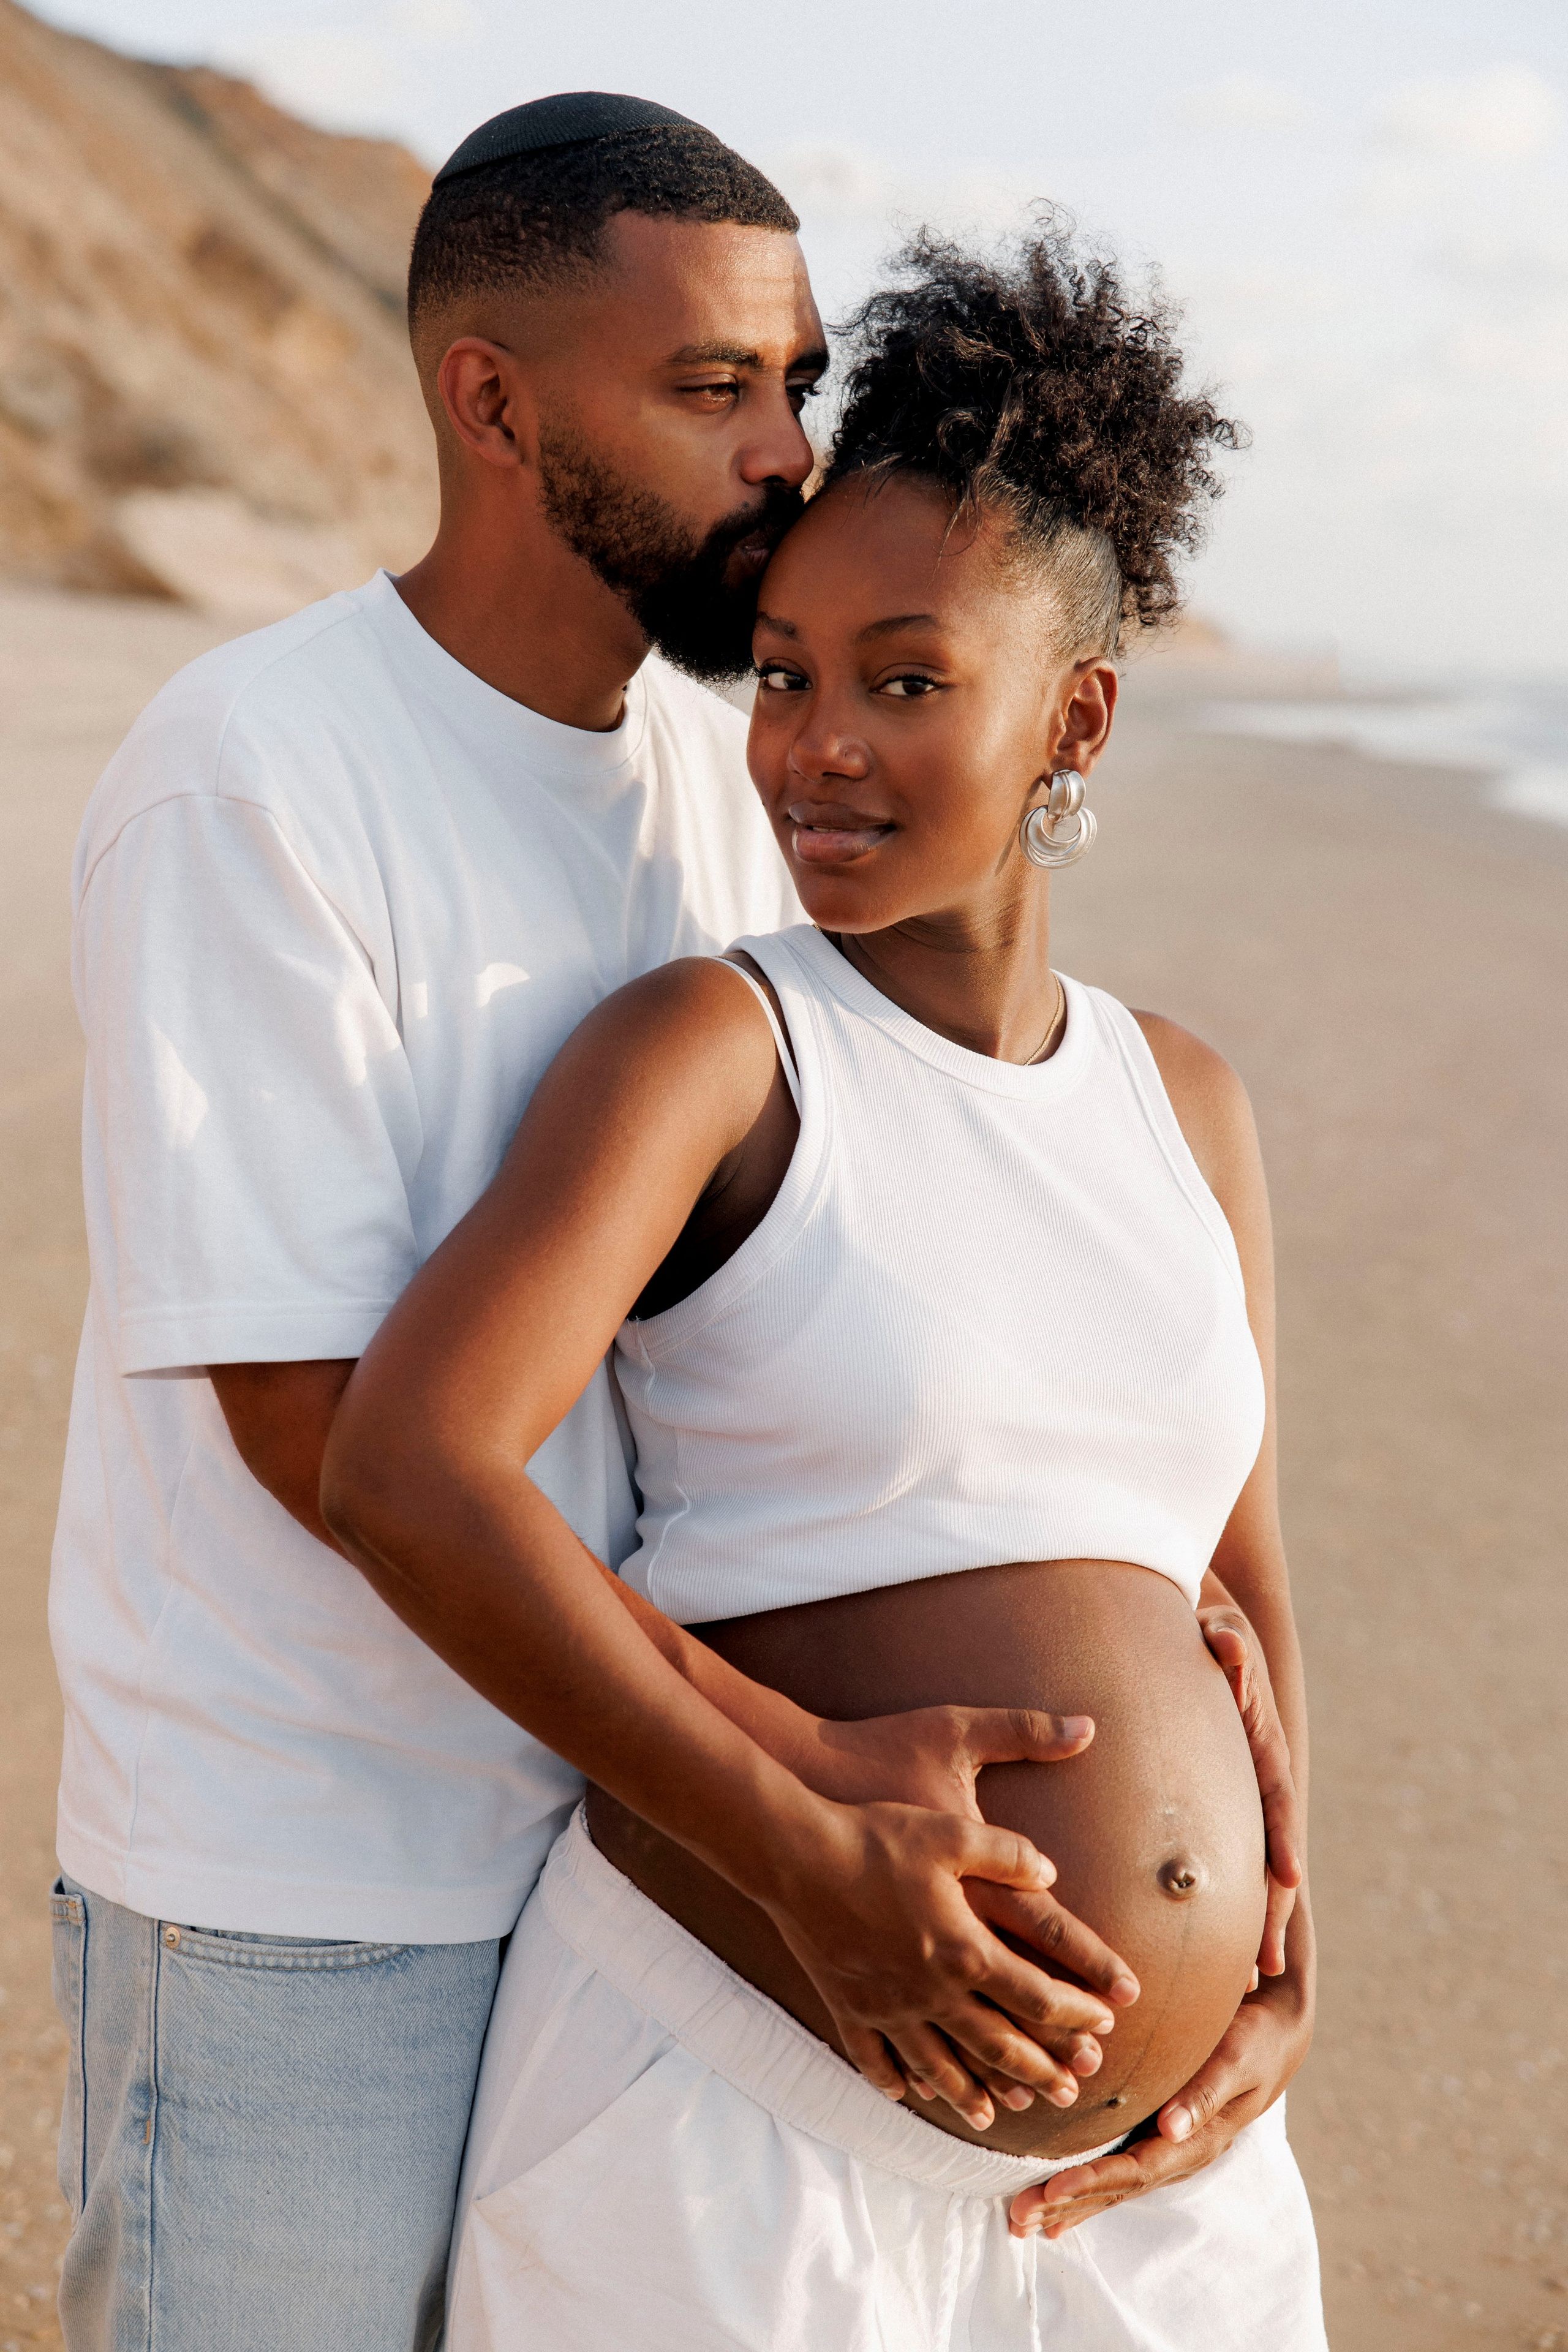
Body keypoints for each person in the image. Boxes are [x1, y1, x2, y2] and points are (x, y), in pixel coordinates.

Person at [48, 93, 1146, 2350]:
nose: (785, 452)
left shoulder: (729, 787)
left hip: (613, 1871)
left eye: (797, 382)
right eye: (713, 387)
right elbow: (319, 1432)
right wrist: (787, 1781)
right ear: (494, 405)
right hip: (307, 1880)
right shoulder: (255, 774)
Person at [322, 227, 1324, 2347]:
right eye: (783, 675)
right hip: (738, 2120)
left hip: (1149, 2202)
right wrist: (795, 1850)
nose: (816, 747)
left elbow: (1233, 1577)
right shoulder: (715, 1051)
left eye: (905, 680)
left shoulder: (1187, 1102)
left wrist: (1282, 1944)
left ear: (1076, 716)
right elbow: (410, 1469)